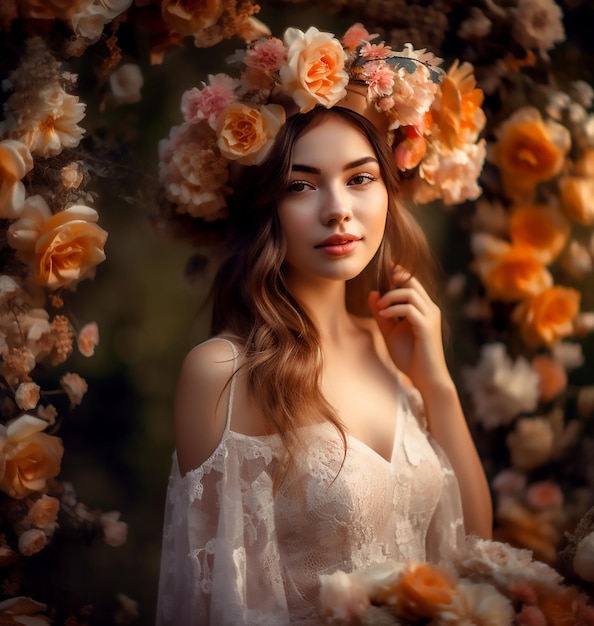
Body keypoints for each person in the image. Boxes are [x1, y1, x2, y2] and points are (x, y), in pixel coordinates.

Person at [155, 23, 492, 626]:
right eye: (301, 185)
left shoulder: (392, 347)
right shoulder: (224, 373)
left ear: (387, 189)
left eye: (360, 178)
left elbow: (475, 554)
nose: (337, 208)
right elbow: (209, 604)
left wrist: (436, 383)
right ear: (265, 207)